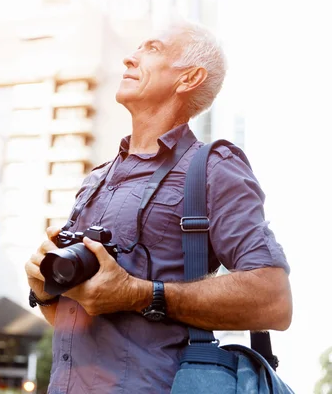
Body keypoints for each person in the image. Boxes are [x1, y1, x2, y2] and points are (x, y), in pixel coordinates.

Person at [24, 21, 292, 393]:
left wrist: (140, 293)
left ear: (189, 78)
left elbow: (274, 301)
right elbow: (82, 322)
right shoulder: (96, 180)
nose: (130, 58)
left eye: (152, 48)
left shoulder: (214, 168)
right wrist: (44, 288)